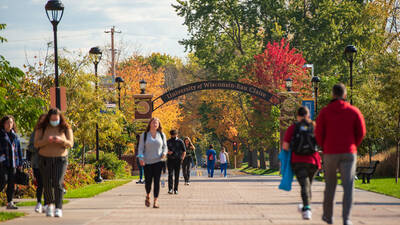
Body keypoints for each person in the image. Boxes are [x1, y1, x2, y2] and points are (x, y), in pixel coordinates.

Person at [315, 84, 366, 225]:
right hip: (348, 152)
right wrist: (353, 144)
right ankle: (346, 218)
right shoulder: (353, 111)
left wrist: (324, 146)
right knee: (348, 186)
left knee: (330, 185)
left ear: (333, 94)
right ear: (344, 94)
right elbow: (361, 131)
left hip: (330, 152)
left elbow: (318, 133)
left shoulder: (325, 112)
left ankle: (328, 216)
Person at [282, 106, 321, 220]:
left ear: (298, 116)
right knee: (308, 185)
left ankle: (307, 208)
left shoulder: (293, 128)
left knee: (305, 185)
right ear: (308, 115)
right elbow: (320, 142)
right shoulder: (314, 127)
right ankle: (306, 206)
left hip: (298, 161)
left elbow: (285, 146)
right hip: (313, 161)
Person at [34, 108, 73, 218]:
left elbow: (71, 143)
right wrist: (47, 140)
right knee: (47, 183)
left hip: (60, 159)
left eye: (56, 119)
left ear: (60, 118)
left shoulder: (65, 128)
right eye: (52, 119)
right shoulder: (42, 128)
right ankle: (49, 205)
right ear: (48, 118)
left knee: (57, 182)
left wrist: (62, 141)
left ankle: (58, 207)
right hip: (45, 158)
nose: (54, 121)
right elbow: (36, 144)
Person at [137, 118, 167, 208]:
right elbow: (140, 148)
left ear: (158, 125)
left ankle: (156, 201)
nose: (155, 124)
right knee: (148, 182)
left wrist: (164, 154)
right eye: (153, 122)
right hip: (147, 162)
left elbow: (165, 147)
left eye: (157, 123)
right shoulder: (145, 135)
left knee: (157, 182)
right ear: (150, 124)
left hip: (158, 161)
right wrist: (141, 159)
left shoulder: (161, 135)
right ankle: (148, 195)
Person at [0, 115, 23, 210]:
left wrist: (20, 163)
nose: (9, 124)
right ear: (3, 124)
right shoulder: (0, 135)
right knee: (3, 181)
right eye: (7, 123)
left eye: (11, 122)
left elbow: (19, 150)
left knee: (11, 184)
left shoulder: (15, 136)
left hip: (13, 163)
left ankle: (10, 203)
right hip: (3, 163)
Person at [28, 114, 47, 213]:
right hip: (37, 162)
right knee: (40, 184)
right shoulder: (35, 133)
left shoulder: (50, 133)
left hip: (49, 162)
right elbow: (30, 147)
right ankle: (39, 203)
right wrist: (39, 147)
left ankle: (47, 204)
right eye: (42, 120)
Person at [166, 130, 186, 194]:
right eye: (172, 135)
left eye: (174, 135)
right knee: (170, 174)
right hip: (170, 160)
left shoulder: (180, 141)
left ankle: (176, 189)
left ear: (177, 134)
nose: (173, 136)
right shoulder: (168, 141)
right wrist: (168, 152)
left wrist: (182, 158)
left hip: (178, 160)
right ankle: (170, 189)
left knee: (177, 175)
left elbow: (184, 151)